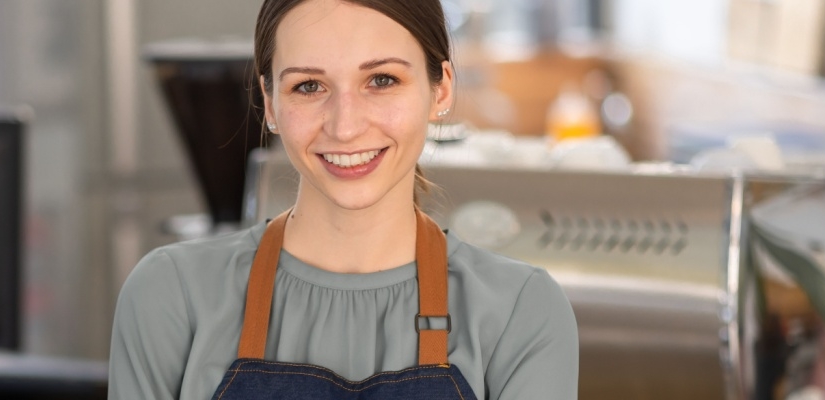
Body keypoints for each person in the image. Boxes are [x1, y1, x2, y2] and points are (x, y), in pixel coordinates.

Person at [109, 0, 579, 398]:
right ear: (270, 103)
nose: (345, 126)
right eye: (309, 86)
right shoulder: (171, 295)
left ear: (441, 89)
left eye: (382, 80)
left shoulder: (520, 311)